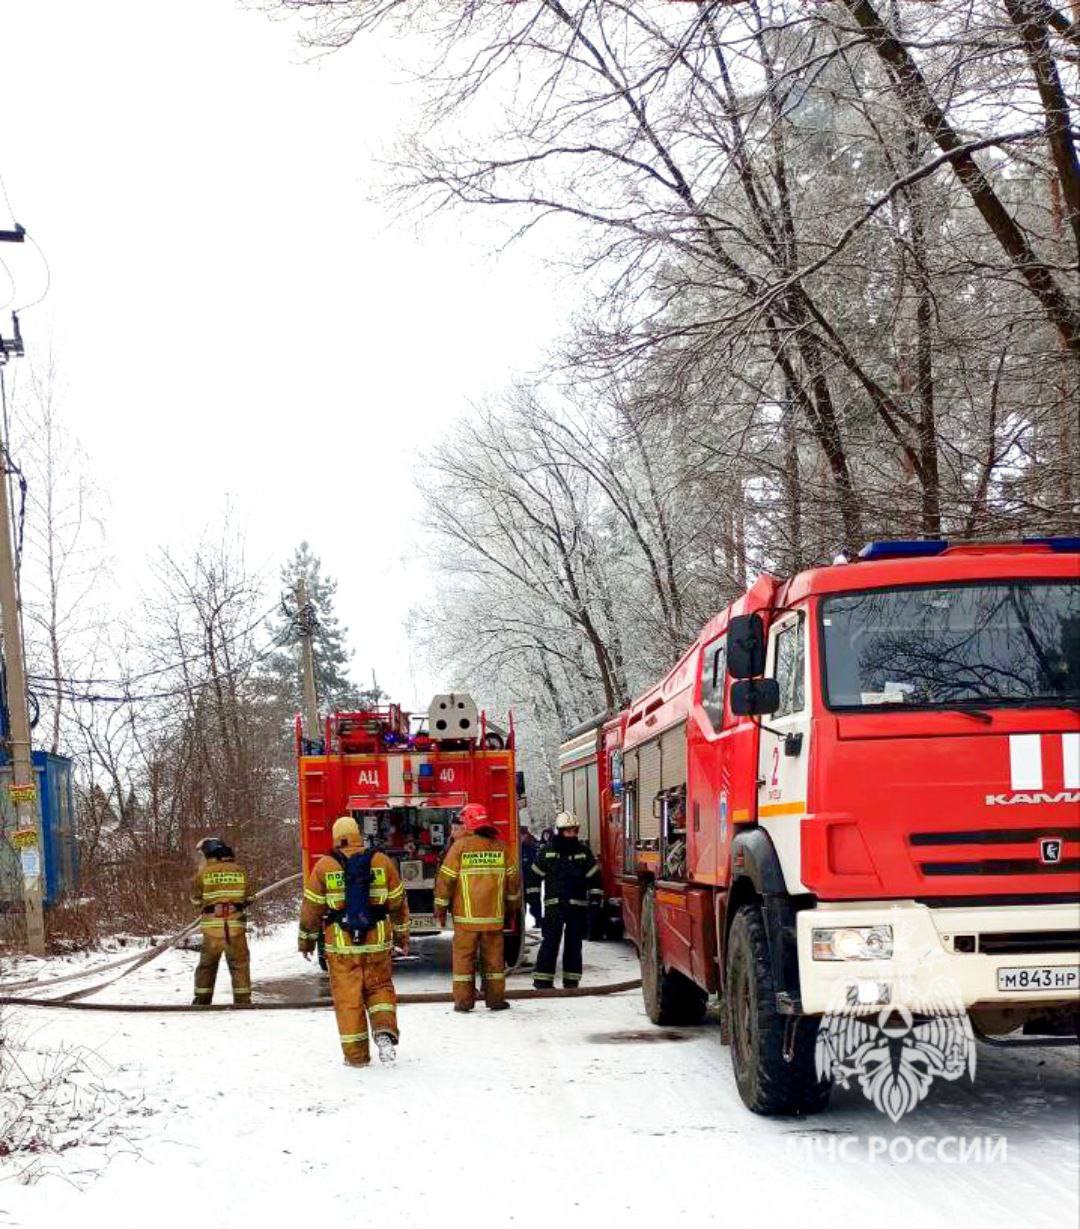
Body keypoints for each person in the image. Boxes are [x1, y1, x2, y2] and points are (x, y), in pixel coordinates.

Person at [298, 815, 410, 1067]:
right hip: (378, 941)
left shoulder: (325, 866)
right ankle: (383, 1030)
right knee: (380, 987)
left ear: (336, 838)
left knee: (349, 999)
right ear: (359, 835)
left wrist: (306, 941)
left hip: (342, 944)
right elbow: (398, 903)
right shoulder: (381, 861)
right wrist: (402, 936)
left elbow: (311, 909)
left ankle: (356, 1057)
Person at [434, 802, 521, 1012]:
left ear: (470, 822)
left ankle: (463, 1002)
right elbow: (513, 883)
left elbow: (446, 881)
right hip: (494, 919)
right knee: (494, 962)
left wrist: (440, 909)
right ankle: (496, 1000)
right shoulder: (501, 848)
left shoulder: (460, 847)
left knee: (463, 961)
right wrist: (511, 909)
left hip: (466, 920)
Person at [528, 811, 602, 989]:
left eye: (574, 831)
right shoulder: (547, 852)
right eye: (568, 832)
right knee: (550, 942)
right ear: (559, 832)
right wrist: (535, 907)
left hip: (578, 907)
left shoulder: (584, 853)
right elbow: (533, 880)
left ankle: (571, 980)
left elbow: (595, 879)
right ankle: (543, 980)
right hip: (555, 907)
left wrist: (594, 902)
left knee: (574, 944)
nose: (572, 835)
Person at [190, 837, 252, 1007]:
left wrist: (209, 904)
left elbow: (195, 900)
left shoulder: (203, 873)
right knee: (239, 966)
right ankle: (243, 1002)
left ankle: (202, 1001)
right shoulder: (240, 871)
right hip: (236, 929)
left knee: (206, 967)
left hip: (212, 930)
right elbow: (249, 896)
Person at [519, 827, 542, 928]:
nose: (521, 837)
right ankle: (521, 923)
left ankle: (539, 921)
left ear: (525, 835)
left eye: (522, 835)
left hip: (531, 881)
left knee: (534, 902)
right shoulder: (519, 847)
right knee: (521, 904)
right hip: (522, 880)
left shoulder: (531, 847)